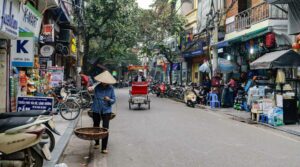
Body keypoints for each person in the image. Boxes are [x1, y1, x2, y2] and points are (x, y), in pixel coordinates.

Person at [88, 71, 116, 154]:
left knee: (105, 128)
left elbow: (114, 100)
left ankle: (104, 147)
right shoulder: (97, 87)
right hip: (96, 109)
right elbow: (90, 91)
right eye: (103, 81)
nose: (104, 83)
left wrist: (109, 99)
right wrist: (89, 89)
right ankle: (97, 142)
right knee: (96, 126)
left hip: (106, 110)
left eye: (105, 81)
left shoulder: (111, 88)